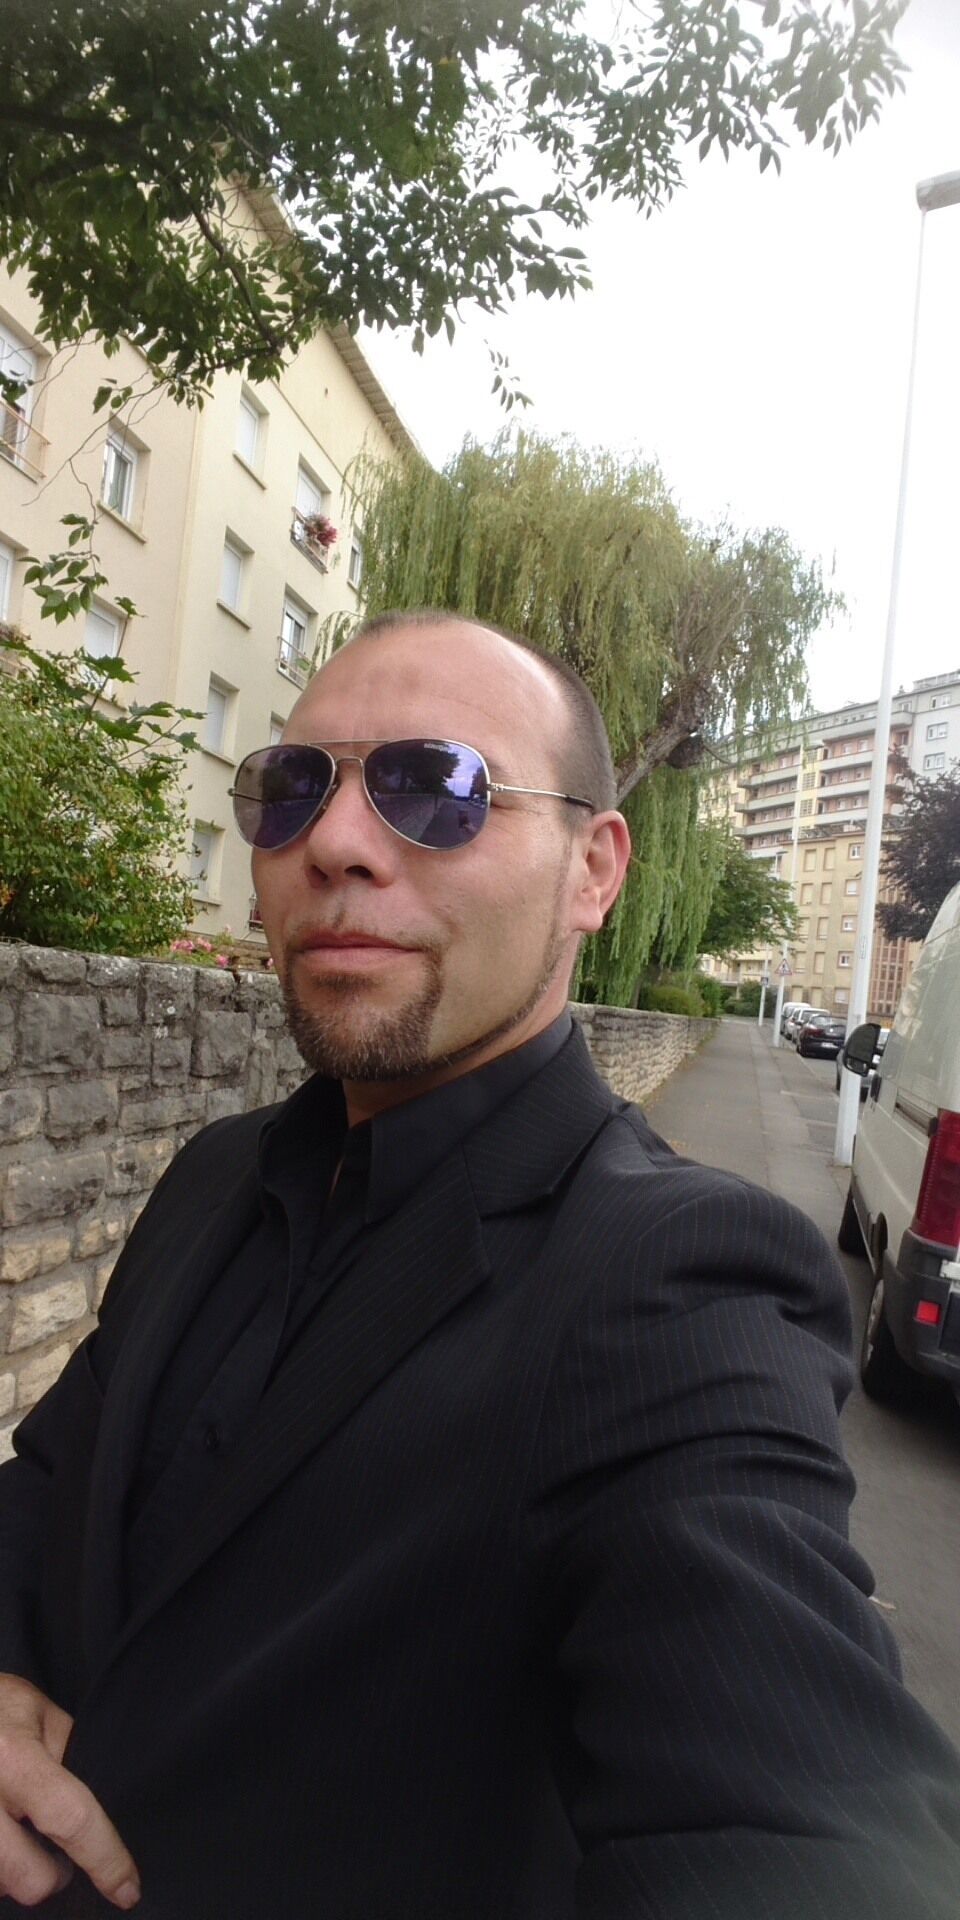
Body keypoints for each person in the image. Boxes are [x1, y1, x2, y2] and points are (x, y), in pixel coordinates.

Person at [0, 611, 957, 1920]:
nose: (334, 842)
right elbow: (49, 1487)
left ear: (592, 872)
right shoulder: (218, 1175)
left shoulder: (676, 1281)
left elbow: (805, 1818)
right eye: (290, 788)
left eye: (436, 786)